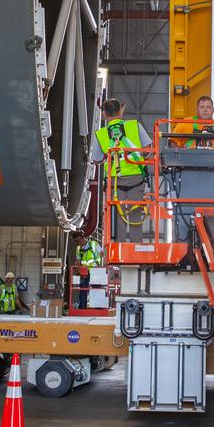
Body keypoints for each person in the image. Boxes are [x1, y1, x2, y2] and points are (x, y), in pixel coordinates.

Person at [91, 99, 153, 243]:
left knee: (118, 215)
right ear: (121, 110)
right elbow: (149, 150)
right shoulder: (134, 126)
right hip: (136, 178)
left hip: (115, 181)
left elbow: (96, 160)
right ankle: (136, 249)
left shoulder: (100, 134)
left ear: (104, 114)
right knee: (135, 213)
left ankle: (118, 248)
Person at [74, 236, 103, 310]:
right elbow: (78, 261)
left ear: (83, 239)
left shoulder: (94, 244)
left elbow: (103, 254)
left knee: (97, 289)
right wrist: (77, 269)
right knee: (83, 289)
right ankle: (82, 307)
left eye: (79, 240)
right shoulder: (78, 248)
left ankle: (98, 308)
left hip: (95, 270)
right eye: (77, 241)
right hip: (85, 271)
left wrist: (103, 267)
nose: (78, 243)